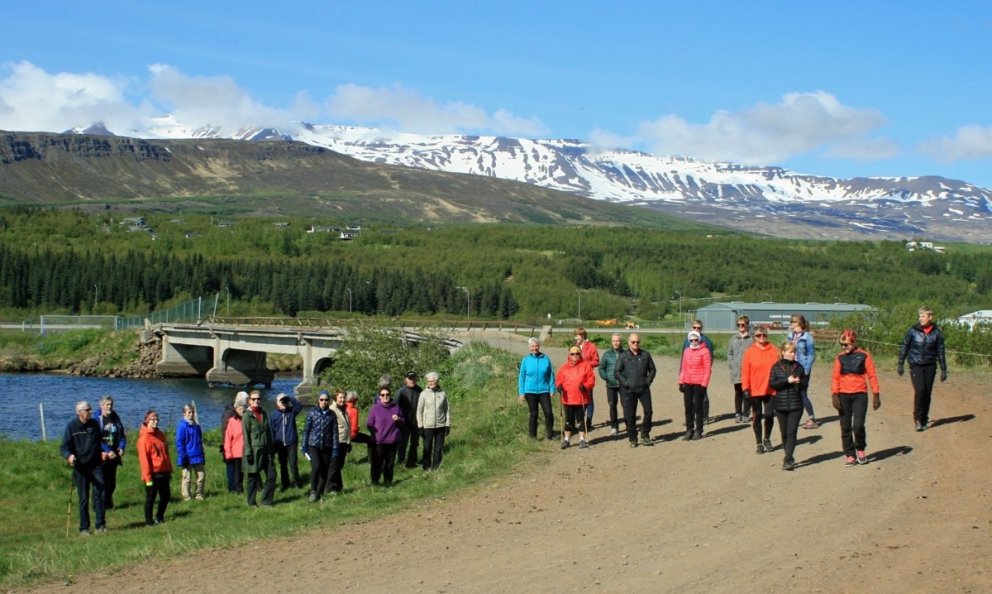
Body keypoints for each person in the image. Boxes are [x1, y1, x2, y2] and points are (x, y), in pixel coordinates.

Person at [831, 329, 881, 466]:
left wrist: (876, 394)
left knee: (858, 426)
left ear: (853, 342)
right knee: (845, 426)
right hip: (843, 395)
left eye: (846, 345)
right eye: (842, 345)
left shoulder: (864, 355)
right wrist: (835, 394)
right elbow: (835, 377)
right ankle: (850, 454)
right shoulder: (839, 357)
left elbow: (872, 375)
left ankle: (860, 449)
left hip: (860, 395)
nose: (843, 347)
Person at [898, 306, 948, 431]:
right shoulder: (913, 331)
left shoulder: (937, 333)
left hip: (930, 365)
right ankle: (918, 419)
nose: (920, 318)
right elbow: (905, 346)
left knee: (927, 393)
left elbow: (941, 351)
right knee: (920, 390)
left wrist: (943, 369)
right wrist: (900, 363)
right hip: (916, 365)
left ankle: (925, 418)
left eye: (923, 316)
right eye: (920, 316)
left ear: (930, 317)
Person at [60, 400, 106, 535]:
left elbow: (100, 442)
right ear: (79, 413)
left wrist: (104, 451)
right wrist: (69, 456)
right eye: (87, 409)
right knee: (84, 498)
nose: (90, 411)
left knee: (100, 493)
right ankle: (84, 528)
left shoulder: (94, 424)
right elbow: (64, 447)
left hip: (95, 465)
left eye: (90, 409)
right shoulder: (72, 426)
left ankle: (100, 525)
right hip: (80, 466)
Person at [741, 325, 780, 454]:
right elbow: (745, 371)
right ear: (754, 337)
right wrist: (745, 388)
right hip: (755, 389)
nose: (761, 337)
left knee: (769, 414)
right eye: (758, 335)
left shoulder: (774, 349)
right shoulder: (749, 351)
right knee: (757, 415)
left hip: (770, 388)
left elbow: (780, 367)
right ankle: (759, 443)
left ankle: (767, 439)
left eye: (764, 335)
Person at [614, 333, 658, 447]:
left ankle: (645, 435)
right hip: (629, 390)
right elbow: (617, 372)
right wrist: (625, 383)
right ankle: (633, 439)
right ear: (629, 343)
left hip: (644, 389)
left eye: (637, 342)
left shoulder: (645, 355)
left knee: (648, 411)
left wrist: (648, 381)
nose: (635, 344)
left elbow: (653, 370)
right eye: (633, 342)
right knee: (630, 415)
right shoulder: (623, 356)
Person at [769, 342, 805, 470]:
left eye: (794, 352)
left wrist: (799, 383)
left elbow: (804, 386)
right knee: (784, 433)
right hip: (780, 405)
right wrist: (786, 381)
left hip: (796, 404)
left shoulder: (799, 367)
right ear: (783, 352)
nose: (793, 354)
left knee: (792, 432)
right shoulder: (776, 367)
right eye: (790, 352)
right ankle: (788, 455)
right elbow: (772, 384)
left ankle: (788, 458)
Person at [300, 390, 339, 502]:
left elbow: (335, 433)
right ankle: (313, 491)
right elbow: (306, 430)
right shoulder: (312, 413)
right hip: (314, 445)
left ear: (329, 401)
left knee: (324, 471)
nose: (324, 402)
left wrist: (335, 448)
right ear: (318, 400)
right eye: (321, 399)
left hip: (327, 446)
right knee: (316, 467)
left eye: (326, 400)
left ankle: (320, 493)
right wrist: (304, 446)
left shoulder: (332, 415)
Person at [137, 410, 173, 526]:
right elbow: (144, 461)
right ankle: (148, 521)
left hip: (164, 472)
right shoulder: (144, 439)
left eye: (157, 419)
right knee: (151, 498)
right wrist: (147, 478)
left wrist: (169, 469)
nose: (156, 421)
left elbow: (166, 454)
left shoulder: (160, 435)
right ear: (147, 421)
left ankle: (159, 517)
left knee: (166, 496)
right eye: (153, 419)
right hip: (153, 474)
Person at [556, 345, 596, 449]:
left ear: (580, 354)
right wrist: (559, 386)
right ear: (569, 355)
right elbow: (559, 379)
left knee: (580, 420)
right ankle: (566, 440)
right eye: (572, 354)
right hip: (567, 399)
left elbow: (591, 380)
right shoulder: (564, 368)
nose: (575, 356)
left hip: (581, 398)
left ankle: (582, 439)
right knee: (568, 420)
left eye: (577, 353)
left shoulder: (586, 366)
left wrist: (585, 386)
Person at [517, 337, 556, 440]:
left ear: (539, 346)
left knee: (548, 412)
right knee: (534, 414)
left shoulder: (546, 359)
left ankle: (550, 434)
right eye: (532, 346)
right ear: (529, 347)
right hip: (530, 391)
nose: (535, 348)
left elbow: (551, 375)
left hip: (544, 390)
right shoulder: (525, 360)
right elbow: (521, 377)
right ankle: (532, 436)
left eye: (536, 346)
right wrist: (521, 392)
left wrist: (552, 388)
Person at [242, 390, 276, 506]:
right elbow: (246, 436)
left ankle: (266, 501)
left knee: (272, 476)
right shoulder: (247, 416)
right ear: (249, 401)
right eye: (253, 399)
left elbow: (268, 432)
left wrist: (271, 449)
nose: (256, 401)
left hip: (266, 450)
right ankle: (251, 503)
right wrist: (248, 452)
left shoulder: (264, 413)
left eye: (258, 399)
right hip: (254, 451)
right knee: (252, 478)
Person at [366, 387, 404, 486]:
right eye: (382, 395)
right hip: (379, 442)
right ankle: (375, 481)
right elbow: (369, 424)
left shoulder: (396, 408)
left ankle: (388, 481)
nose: (385, 396)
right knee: (377, 463)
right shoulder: (375, 408)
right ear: (379, 396)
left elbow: (402, 423)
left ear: (390, 395)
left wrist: (398, 419)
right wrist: (375, 435)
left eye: (387, 394)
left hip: (392, 441)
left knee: (389, 463)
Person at [93, 395, 125, 510]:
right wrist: (107, 450)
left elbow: (122, 434)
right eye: (107, 404)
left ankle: (107, 502)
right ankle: (98, 506)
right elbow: (97, 438)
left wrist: (121, 447)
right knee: (100, 482)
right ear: (101, 405)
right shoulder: (97, 419)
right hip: (102, 455)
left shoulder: (115, 417)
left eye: (111, 404)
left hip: (114, 455)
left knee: (112, 483)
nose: (109, 406)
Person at [678, 330, 712, 440]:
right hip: (687, 382)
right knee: (688, 407)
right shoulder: (687, 351)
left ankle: (699, 430)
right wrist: (681, 382)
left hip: (699, 383)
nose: (693, 341)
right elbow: (683, 367)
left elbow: (707, 369)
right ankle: (689, 429)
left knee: (698, 407)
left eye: (695, 339)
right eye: (691, 340)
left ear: (699, 339)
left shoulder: (705, 351)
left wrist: (704, 384)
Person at [788, 314, 819, 429]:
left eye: (792, 322)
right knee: (792, 393)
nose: (791, 324)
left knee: (802, 393)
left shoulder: (807, 337)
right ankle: (794, 418)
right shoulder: (790, 336)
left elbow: (811, 354)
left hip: (802, 368)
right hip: (791, 367)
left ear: (798, 323)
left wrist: (806, 369)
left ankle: (812, 418)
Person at [417, 371, 451, 471]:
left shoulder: (442, 393)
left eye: (432, 381)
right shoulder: (423, 394)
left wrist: (447, 424)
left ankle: (436, 467)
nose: (430, 383)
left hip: (441, 425)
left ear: (437, 381)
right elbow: (419, 411)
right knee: (427, 447)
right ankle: (426, 467)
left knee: (438, 448)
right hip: (427, 426)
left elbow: (447, 410)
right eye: (429, 381)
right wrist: (420, 426)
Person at [681, 321, 714, 422]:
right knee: (690, 399)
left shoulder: (706, 341)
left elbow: (709, 359)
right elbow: (683, 358)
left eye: (698, 328)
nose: (696, 329)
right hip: (688, 375)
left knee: (703, 396)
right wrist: (681, 375)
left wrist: (704, 375)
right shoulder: (687, 340)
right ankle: (691, 418)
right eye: (694, 327)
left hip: (700, 376)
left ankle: (704, 416)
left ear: (701, 329)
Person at [270, 392, 303, 490]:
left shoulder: (291, 411)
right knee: (283, 464)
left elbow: (300, 406)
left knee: (293, 463)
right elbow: (271, 431)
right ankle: (285, 483)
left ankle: (296, 482)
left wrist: (289, 398)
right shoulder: (273, 415)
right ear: (277, 403)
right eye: (281, 401)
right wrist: (273, 445)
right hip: (279, 443)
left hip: (291, 442)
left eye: (284, 401)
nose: (283, 403)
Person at [175, 403, 206, 501]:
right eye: (189, 412)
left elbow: (200, 442)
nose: (191, 414)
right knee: (187, 478)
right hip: (187, 457)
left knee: (201, 476)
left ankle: (199, 494)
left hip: (197, 456)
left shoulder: (196, 426)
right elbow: (179, 443)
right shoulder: (182, 426)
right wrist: (183, 457)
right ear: (184, 414)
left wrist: (202, 455)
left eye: (192, 412)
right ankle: (186, 497)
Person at [597, 333, 626, 436]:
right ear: (611, 342)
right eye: (614, 341)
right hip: (611, 385)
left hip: (623, 384)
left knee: (626, 405)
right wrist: (606, 377)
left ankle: (629, 425)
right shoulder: (607, 354)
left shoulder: (626, 353)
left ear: (621, 342)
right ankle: (614, 427)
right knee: (612, 405)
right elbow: (601, 368)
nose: (616, 343)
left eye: (617, 341)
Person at [727, 316, 753, 424]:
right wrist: (732, 364)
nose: (741, 326)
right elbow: (730, 353)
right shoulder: (733, 338)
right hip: (736, 370)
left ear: (747, 325)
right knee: (738, 393)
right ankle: (738, 413)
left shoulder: (752, 339)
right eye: (739, 324)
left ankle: (746, 413)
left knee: (747, 393)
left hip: (748, 371)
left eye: (743, 324)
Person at [574, 327, 600, 429]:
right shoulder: (575, 347)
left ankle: (588, 422)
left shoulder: (591, 347)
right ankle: (579, 420)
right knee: (577, 398)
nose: (575, 338)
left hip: (587, 377)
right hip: (576, 377)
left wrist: (585, 364)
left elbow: (596, 361)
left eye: (577, 336)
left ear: (582, 336)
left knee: (588, 400)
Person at [397, 371, 423, 469]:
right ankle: (400, 463)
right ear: (406, 380)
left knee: (414, 443)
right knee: (402, 444)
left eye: (413, 378)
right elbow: (395, 407)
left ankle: (412, 462)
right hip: (404, 423)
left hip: (416, 423)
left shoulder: (420, 391)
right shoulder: (401, 392)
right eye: (410, 378)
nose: (412, 380)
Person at [327, 389, 351, 493]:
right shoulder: (332, 410)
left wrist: (349, 442)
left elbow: (347, 427)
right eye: (340, 397)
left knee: (339, 465)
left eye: (344, 397)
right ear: (335, 398)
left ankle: (338, 487)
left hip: (344, 441)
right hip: (336, 442)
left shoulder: (343, 409)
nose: (342, 399)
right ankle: (329, 488)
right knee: (334, 466)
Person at [222, 393, 247, 494]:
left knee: (243, 472)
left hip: (245, 451)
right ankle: (238, 490)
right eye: (239, 409)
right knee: (237, 472)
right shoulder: (232, 421)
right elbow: (228, 438)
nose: (241, 411)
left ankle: (243, 489)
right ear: (236, 409)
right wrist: (228, 453)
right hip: (236, 452)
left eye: (243, 409)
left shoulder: (246, 420)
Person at [345, 390, 374, 459]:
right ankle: (371, 459)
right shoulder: (354, 410)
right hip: (352, 435)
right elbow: (354, 428)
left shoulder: (343, 407)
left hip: (344, 434)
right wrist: (358, 428)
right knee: (370, 440)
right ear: (354, 400)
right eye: (356, 399)